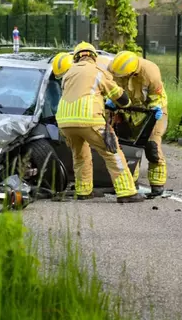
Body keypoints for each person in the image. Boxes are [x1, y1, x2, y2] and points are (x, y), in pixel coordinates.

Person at [56, 42, 145, 203]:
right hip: (89, 119)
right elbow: (120, 96)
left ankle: (83, 190)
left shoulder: (68, 74)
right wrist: (124, 104)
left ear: (76, 58)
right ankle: (127, 192)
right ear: (94, 57)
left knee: (80, 155)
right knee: (112, 152)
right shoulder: (97, 71)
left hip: (65, 122)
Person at [108, 51, 168, 197]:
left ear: (133, 72)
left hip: (151, 112)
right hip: (128, 112)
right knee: (129, 148)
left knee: (152, 146)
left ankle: (157, 184)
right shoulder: (115, 70)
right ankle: (131, 183)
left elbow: (157, 96)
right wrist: (113, 102)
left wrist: (155, 108)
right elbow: (114, 90)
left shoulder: (150, 72)